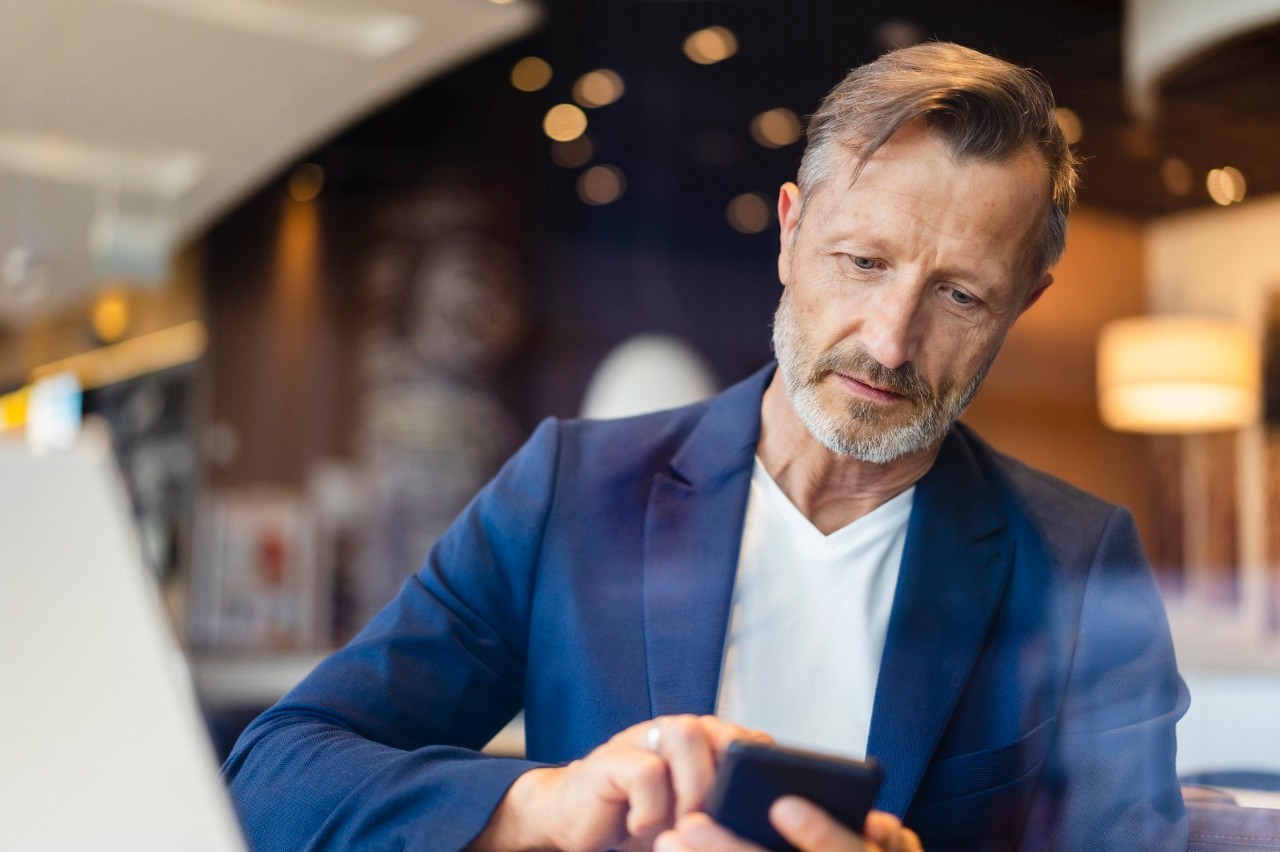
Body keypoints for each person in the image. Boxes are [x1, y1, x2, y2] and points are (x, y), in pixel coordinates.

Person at [223, 42, 1189, 851]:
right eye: (862, 261)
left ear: (1023, 304)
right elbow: (277, 776)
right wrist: (544, 807)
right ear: (790, 232)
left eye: (962, 295)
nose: (891, 341)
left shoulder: (1077, 561)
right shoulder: (571, 490)